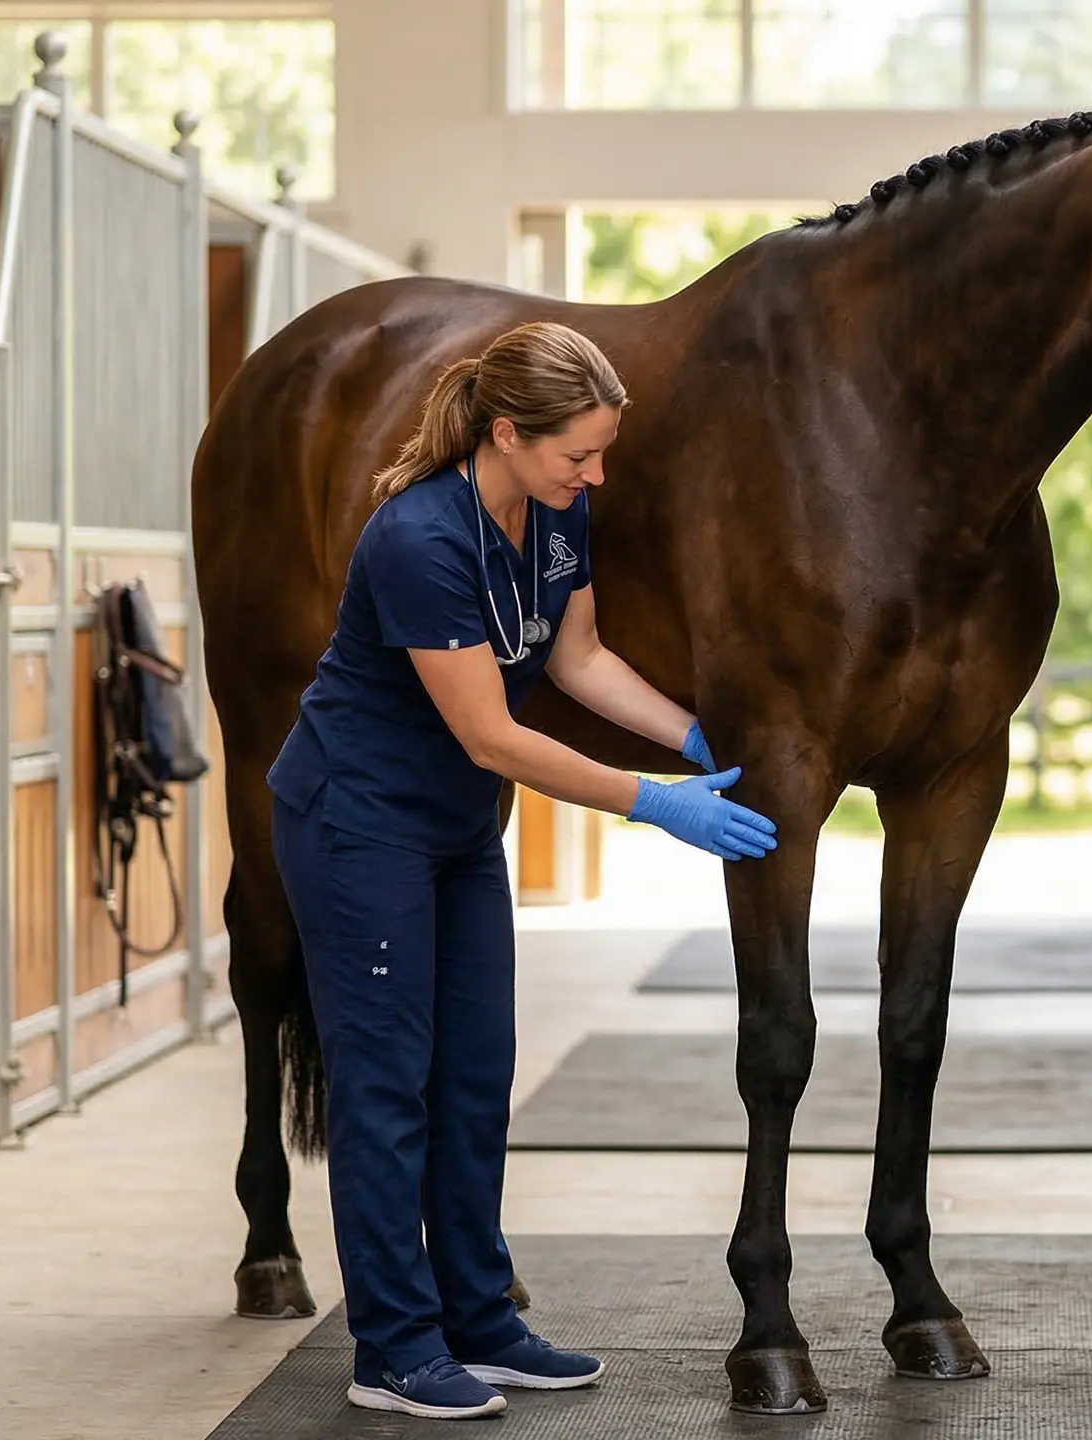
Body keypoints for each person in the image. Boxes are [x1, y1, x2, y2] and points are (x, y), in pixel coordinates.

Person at [266, 319, 779, 1420]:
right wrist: (654, 804)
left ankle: (480, 1319)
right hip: (358, 828)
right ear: (505, 432)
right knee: (387, 1090)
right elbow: (493, 736)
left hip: (452, 833)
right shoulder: (418, 540)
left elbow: (576, 656)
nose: (594, 475)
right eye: (577, 455)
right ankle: (394, 1350)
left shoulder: (554, 514)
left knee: (473, 1080)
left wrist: (690, 736)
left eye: (599, 455)